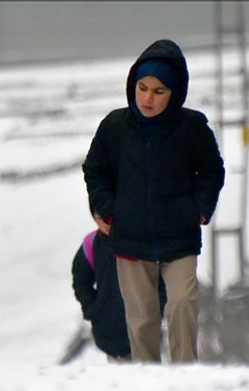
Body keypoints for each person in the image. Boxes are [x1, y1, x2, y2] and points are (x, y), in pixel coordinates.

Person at [82, 39, 225, 363]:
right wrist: (104, 208)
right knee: (142, 319)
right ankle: (149, 384)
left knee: (183, 303)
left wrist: (201, 208)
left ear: (175, 93)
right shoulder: (114, 127)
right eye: (142, 87)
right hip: (129, 238)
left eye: (159, 91)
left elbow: (212, 171)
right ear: (133, 85)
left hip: (180, 237)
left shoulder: (193, 127)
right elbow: (95, 170)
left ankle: (186, 375)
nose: (148, 98)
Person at [72, 228, 167, 362]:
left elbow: (164, 279)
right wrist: (94, 310)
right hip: (112, 334)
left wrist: (156, 311)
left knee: (145, 378)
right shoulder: (93, 242)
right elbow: (80, 279)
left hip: (144, 334)